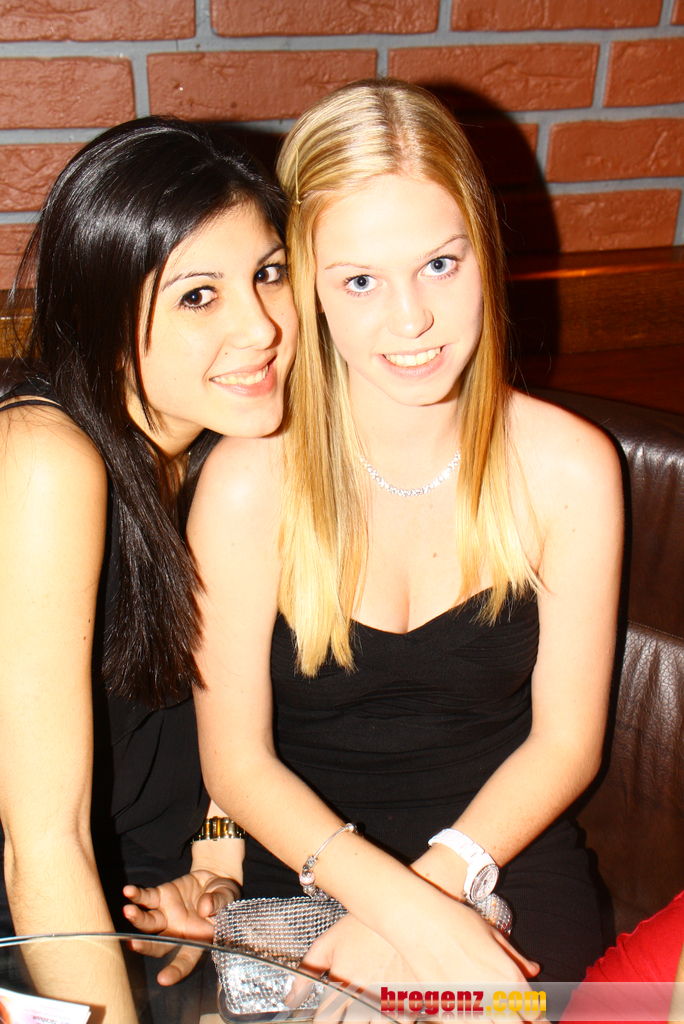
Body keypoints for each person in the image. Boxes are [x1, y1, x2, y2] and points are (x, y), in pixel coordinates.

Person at [131, 79, 623, 993]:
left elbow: (566, 744)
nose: (411, 319)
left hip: (503, 855)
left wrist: (434, 894)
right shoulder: (247, 483)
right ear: (307, 291)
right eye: (360, 280)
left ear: (484, 252)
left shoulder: (570, 469)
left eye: (440, 264)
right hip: (304, 863)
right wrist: (393, 908)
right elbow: (235, 762)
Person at [0, 115, 297, 1016]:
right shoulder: (44, 458)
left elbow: (233, 738)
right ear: (104, 311)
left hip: (137, 911)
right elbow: (41, 844)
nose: (261, 327)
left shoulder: (231, 455)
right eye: (198, 296)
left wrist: (214, 863)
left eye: (269, 273)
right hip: (37, 924)